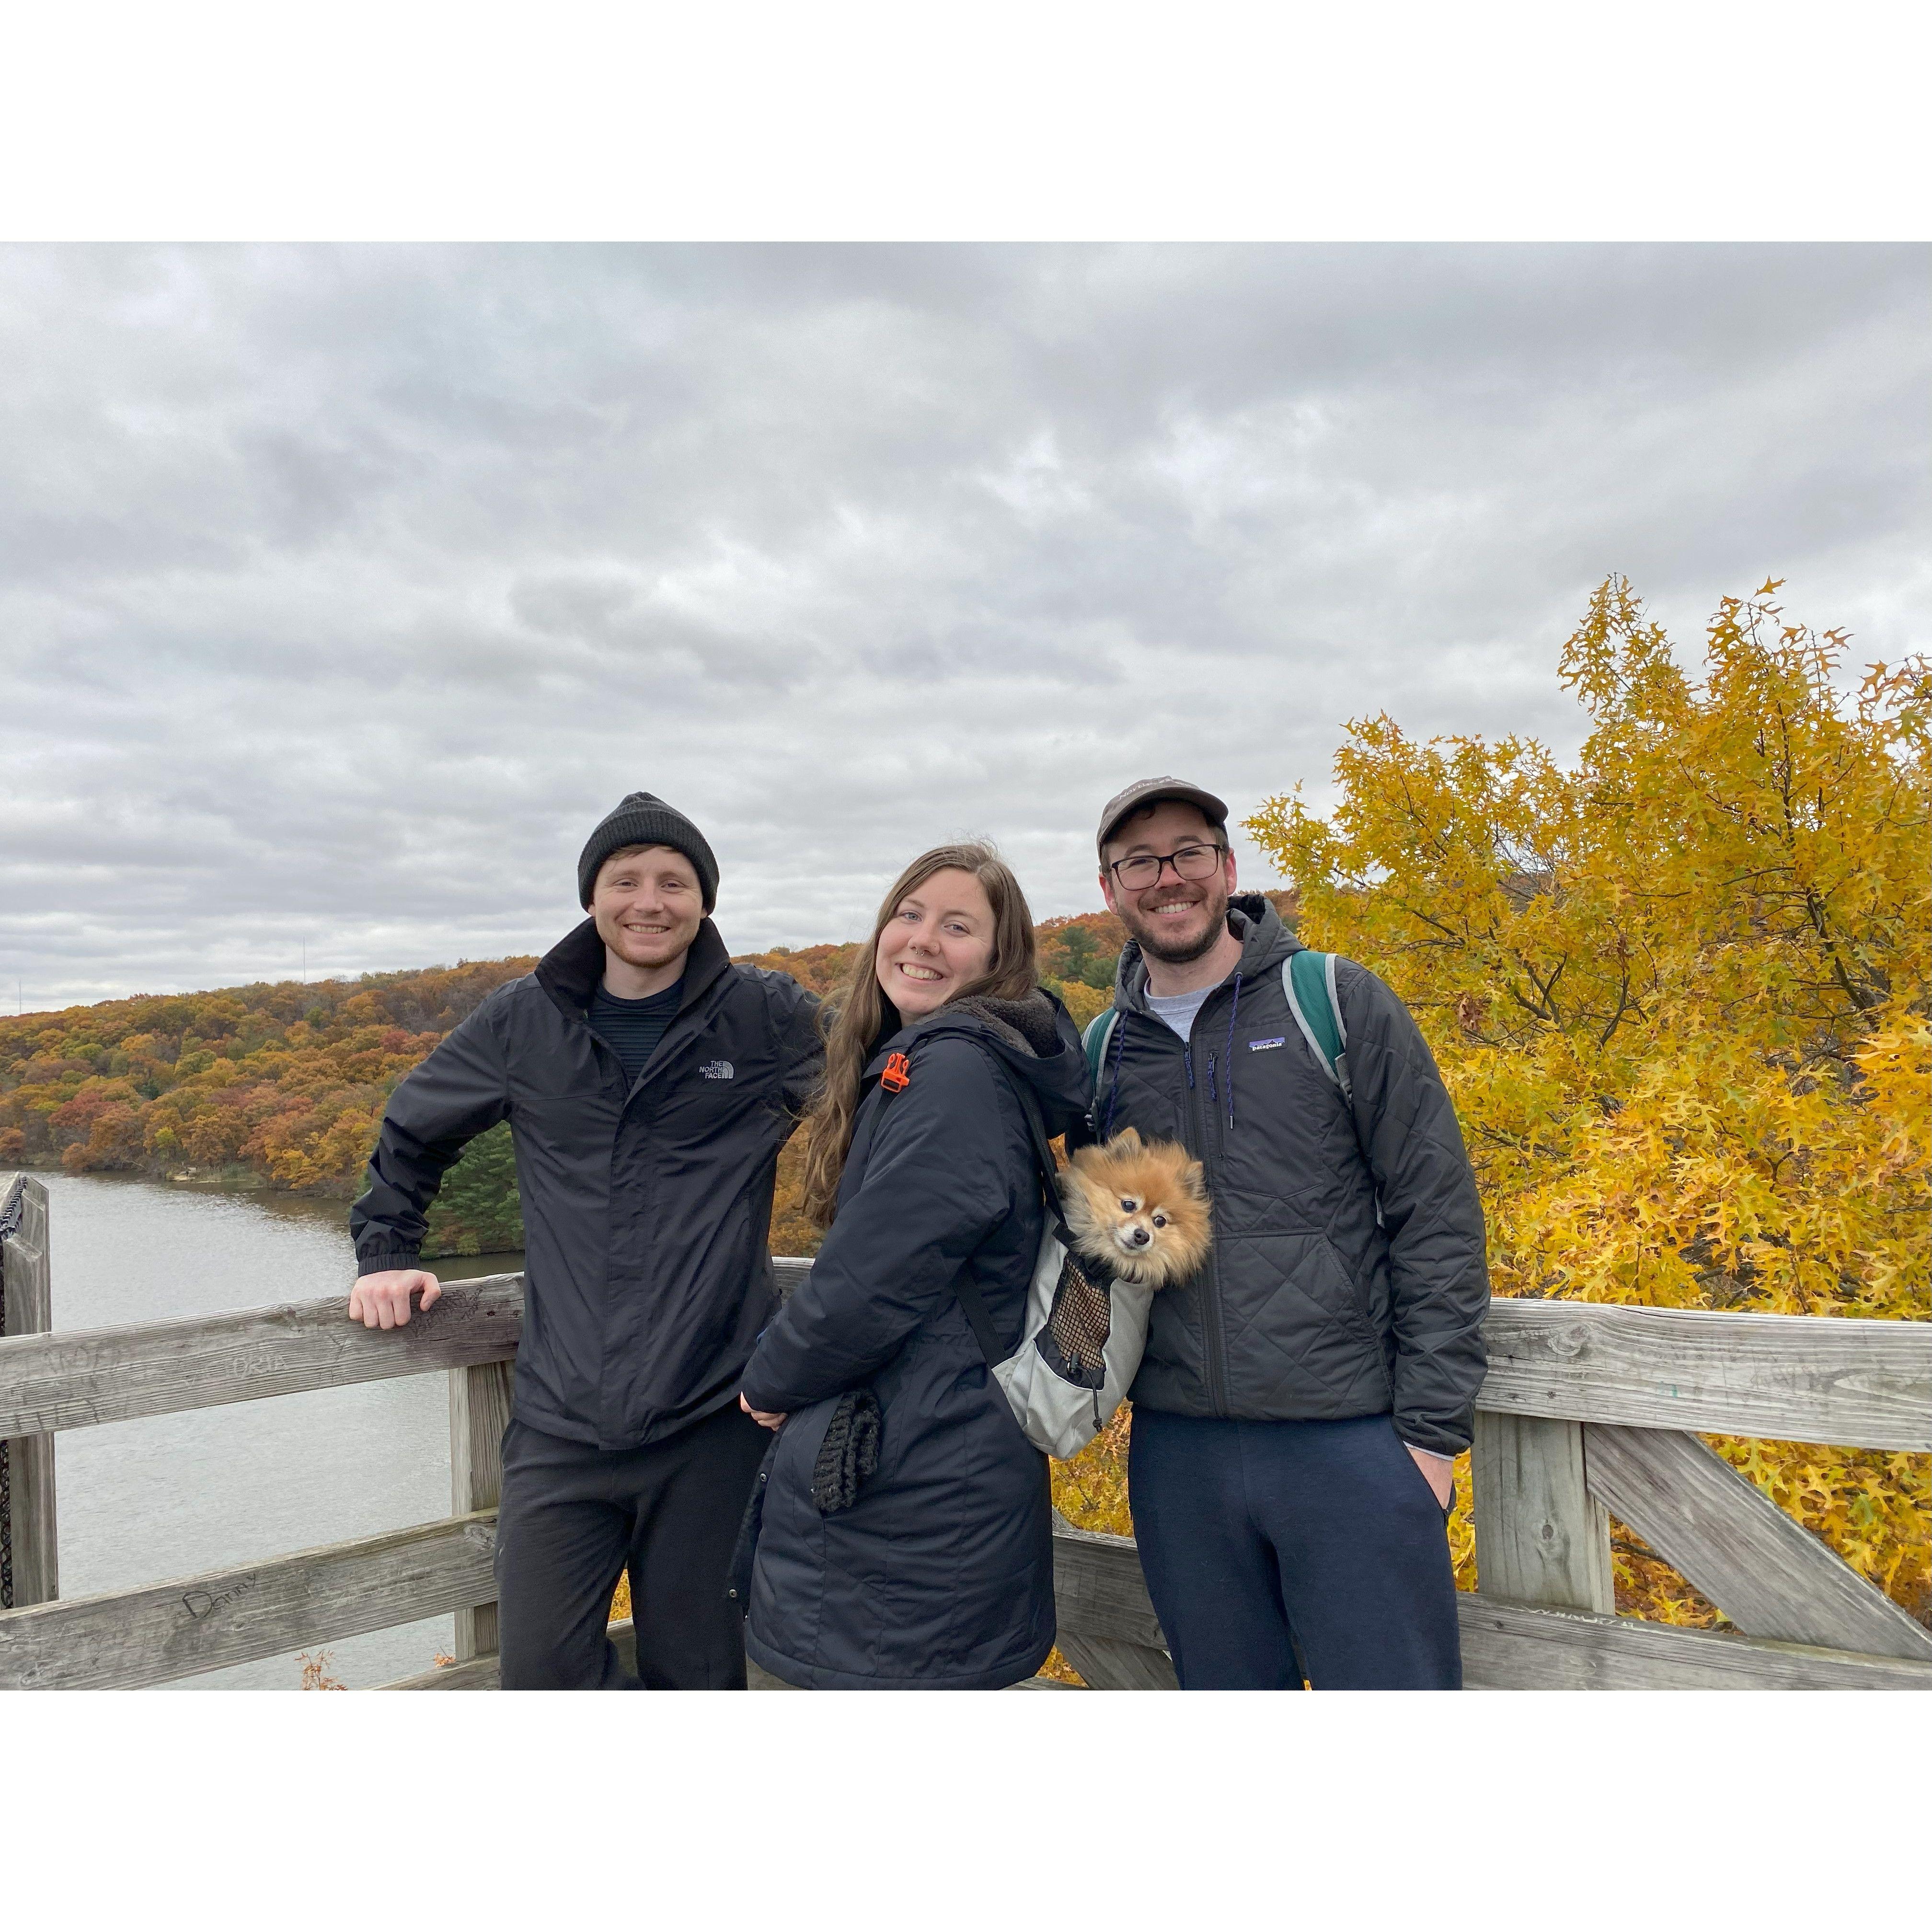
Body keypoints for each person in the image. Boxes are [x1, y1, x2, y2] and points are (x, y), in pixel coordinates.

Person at [347, 792, 823, 1689]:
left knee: (701, 1676)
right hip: (561, 1423)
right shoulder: (524, 1021)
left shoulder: (764, 1016)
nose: (650, 902)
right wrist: (387, 1251)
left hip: (715, 1420)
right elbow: (414, 1127)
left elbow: (888, 1090)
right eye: (626, 880)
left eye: (674, 882)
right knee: (541, 1676)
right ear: (592, 897)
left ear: (705, 901)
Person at [1084, 777, 1489, 1689]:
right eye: (1139, 862)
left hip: (1350, 1441)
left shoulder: (1333, 1000)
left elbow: (1437, 1216)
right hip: (1179, 1455)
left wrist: (1429, 1440)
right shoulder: (1106, 1050)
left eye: (1189, 852)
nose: (1168, 877)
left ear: (1228, 869)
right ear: (1110, 890)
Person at [735, 843, 1090, 1690]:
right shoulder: (940, 1060)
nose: (924, 940)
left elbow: (876, 1275)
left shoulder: (953, 1072)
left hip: (915, 1480)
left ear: (1000, 959)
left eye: (958, 927)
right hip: (933, 1459)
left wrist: (772, 1379)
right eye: (910, 914)